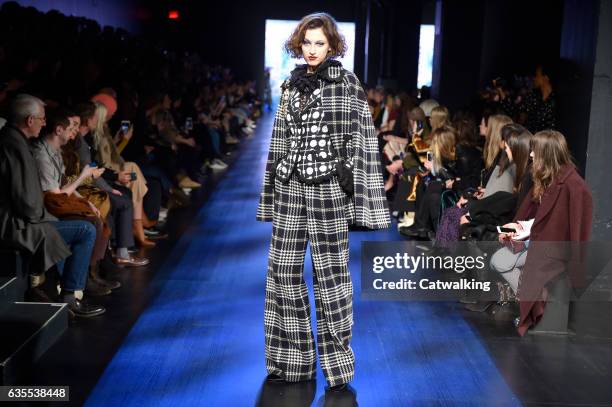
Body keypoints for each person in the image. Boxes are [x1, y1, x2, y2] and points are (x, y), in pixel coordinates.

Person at [256, 12, 390, 391]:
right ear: (298, 45)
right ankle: (293, 360)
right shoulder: (291, 84)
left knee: (331, 278)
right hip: (291, 187)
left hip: (328, 188)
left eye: (320, 43)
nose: (312, 50)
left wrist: (352, 183)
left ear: (332, 46)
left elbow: (362, 138)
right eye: (307, 43)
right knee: (282, 272)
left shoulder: (347, 83)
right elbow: (279, 140)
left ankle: (337, 367)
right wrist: (272, 189)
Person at [0, 94, 105, 317]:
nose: (44, 123)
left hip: (21, 218)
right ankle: (69, 298)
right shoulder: (16, 146)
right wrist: (43, 216)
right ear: (30, 120)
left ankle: (67, 294)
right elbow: (26, 200)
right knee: (84, 230)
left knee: (75, 225)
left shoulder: (13, 141)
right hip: (16, 225)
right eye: (41, 119)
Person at [491, 130, 592, 335]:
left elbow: (568, 228)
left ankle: (533, 298)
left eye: (534, 151)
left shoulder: (572, 185)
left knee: (504, 261)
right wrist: (522, 228)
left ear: (546, 153)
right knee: (499, 259)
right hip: (538, 241)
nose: (530, 156)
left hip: (553, 250)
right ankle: (530, 296)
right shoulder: (547, 178)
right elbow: (541, 219)